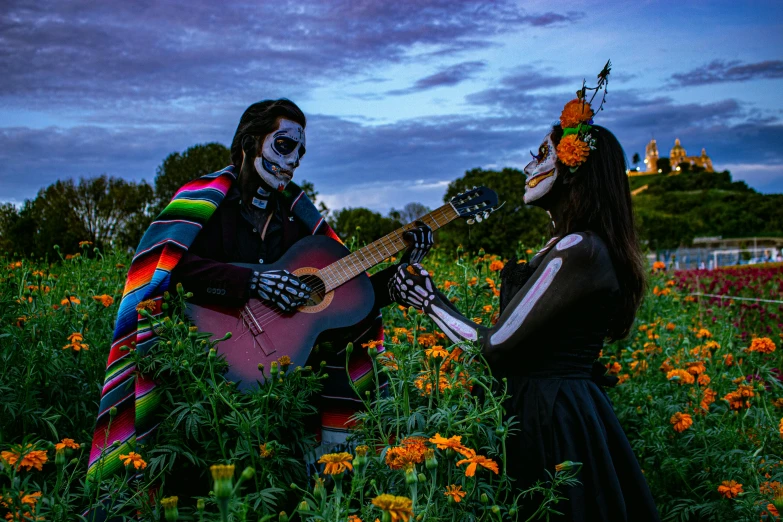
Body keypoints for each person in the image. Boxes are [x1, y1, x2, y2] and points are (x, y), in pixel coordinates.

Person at [87, 99, 433, 513]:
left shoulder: (299, 219)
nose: (293, 163)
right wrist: (252, 281)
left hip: (281, 383)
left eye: (300, 154)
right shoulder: (204, 203)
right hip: (203, 370)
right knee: (198, 489)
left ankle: (320, 497)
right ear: (251, 143)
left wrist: (402, 269)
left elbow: (340, 304)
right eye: (284, 146)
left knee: (287, 484)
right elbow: (168, 269)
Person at [389, 66, 660, 520]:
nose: (529, 166)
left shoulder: (578, 250)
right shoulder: (568, 247)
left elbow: (496, 348)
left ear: (573, 170)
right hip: (548, 409)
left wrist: (427, 300)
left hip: (556, 419)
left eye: (541, 155)